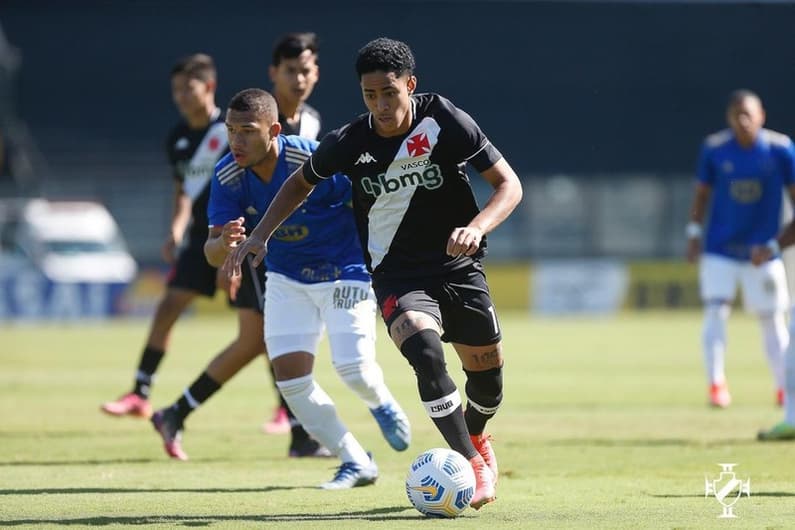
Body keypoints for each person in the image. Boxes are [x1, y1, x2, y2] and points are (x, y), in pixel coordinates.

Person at [229, 38, 523, 509]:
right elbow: (298, 184)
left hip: (458, 266)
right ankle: (469, 464)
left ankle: (477, 436)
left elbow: (509, 184)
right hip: (396, 275)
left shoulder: (443, 119)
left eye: (390, 93)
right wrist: (261, 234)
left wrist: (476, 226)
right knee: (425, 353)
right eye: (370, 96)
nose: (381, 107)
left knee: (487, 380)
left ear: (410, 84)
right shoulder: (350, 142)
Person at [156, 88, 411, 486]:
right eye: (230, 131)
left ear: (274, 130)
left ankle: (380, 403)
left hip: (344, 270)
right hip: (286, 280)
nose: (236, 141)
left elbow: (363, 199)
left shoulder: (309, 159)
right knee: (291, 382)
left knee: (352, 368)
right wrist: (222, 245)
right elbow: (210, 252)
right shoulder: (227, 175)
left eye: (247, 131)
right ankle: (356, 461)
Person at [101, 54, 230, 418]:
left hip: (235, 237)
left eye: (187, 89)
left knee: (258, 327)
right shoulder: (177, 138)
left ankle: (286, 410)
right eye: (176, 90)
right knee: (168, 306)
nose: (180, 97)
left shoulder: (231, 129)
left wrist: (236, 246)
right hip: (201, 239)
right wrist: (175, 230)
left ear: (209, 87)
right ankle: (140, 392)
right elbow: (182, 192)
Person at [686, 89, 795, 408]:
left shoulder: (781, 150)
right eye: (737, 114)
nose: (743, 120)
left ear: (761, 115)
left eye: (748, 113)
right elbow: (702, 195)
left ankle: (782, 386)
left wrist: (774, 244)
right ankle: (716, 385)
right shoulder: (715, 149)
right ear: (729, 118)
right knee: (715, 311)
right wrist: (693, 232)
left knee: (772, 319)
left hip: (763, 251)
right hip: (720, 248)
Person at [262, 31, 323, 435]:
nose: (298, 80)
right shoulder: (254, 120)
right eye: (290, 72)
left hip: (300, 243)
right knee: (269, 334)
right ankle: (294, 418)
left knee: (290, 331)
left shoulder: (314, 121)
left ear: (315, 73)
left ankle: (292, 415)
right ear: (274, 73)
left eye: (305, 71)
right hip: (259, 242)